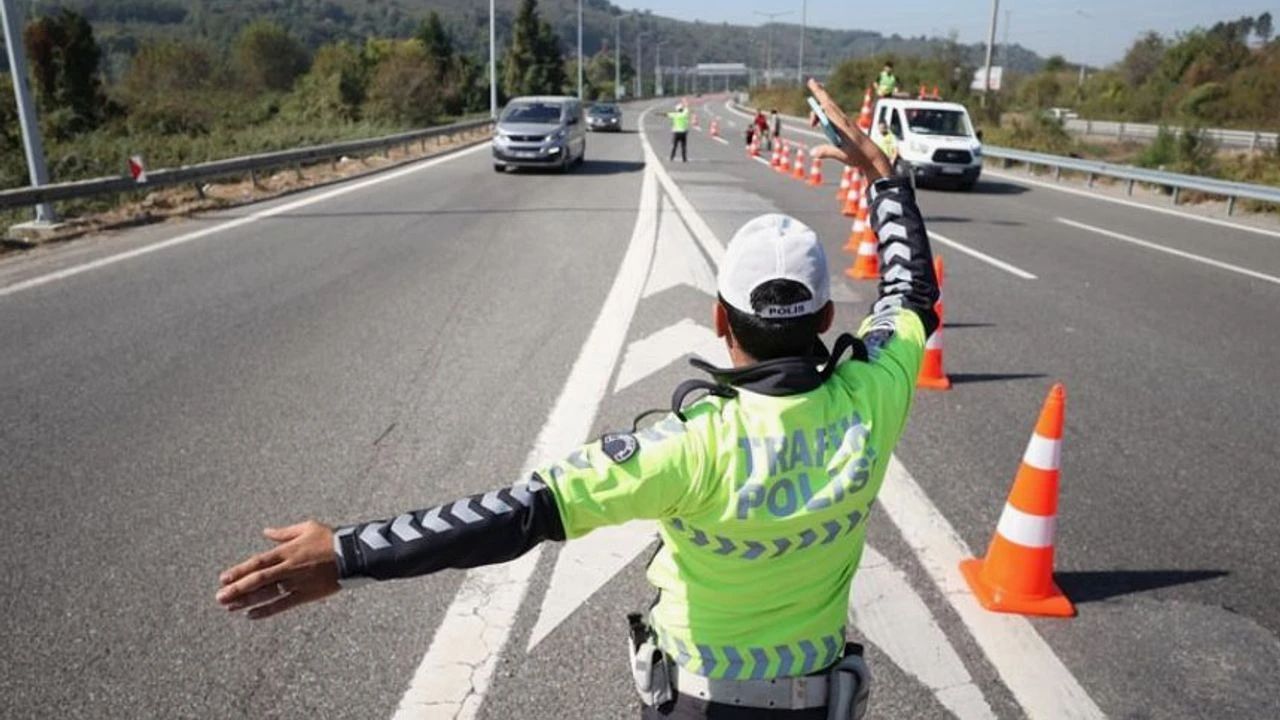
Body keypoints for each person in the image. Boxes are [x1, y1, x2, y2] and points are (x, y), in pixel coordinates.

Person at [215, 78, 939, 720]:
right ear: (824, 320)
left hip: (699, 703)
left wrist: (346, 553)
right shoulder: (872, 397)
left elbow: (513, 515)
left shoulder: (690, 447)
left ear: (719, 320)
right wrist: (888, 186)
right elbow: (911, 294)